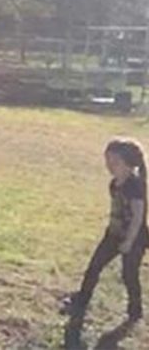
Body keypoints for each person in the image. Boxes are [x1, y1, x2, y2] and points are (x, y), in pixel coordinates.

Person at [62, 139, 148, 344]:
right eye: (107, 160)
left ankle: (135, 310)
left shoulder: (135, 185)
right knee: (94, 267)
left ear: (128, 163)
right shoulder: (114, 183)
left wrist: (128, 242)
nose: (109, 165)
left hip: (134, 239)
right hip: (113, 235)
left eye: (114, 161)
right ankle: (81, 300)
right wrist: (112, 231)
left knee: (129, 275)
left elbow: (138, 217)